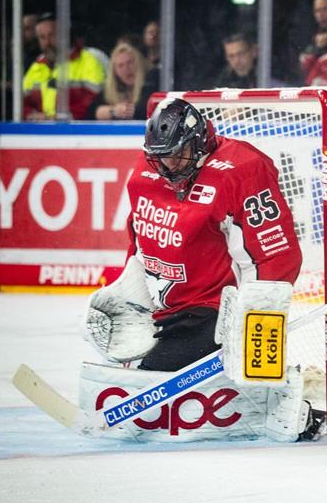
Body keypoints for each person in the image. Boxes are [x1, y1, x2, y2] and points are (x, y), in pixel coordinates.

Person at [125, 98, 303, 371]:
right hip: (162, 312)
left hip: (214, 313)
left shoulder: (242, 171)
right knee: (126, 369)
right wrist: (126, 294)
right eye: (162, 156)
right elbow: (138, 241)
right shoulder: (146, 172)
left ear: (198, 143)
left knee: (148, 379)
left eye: (178, 153)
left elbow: (275, 256)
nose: (169, 165)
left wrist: (252, 328)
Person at [22, 13, 106, 120]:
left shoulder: (88, 60)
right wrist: (32, 115)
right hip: (42, 129)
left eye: (52, 35)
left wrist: (60, 118)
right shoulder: (36, 66)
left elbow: (92, 102)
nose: (47, 42)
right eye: (42, 37)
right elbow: (22, 103)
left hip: (76, 128)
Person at [86, 42, 157, 120]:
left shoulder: (151, 83)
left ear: (138, 63)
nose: (126, 69)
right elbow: (91, 113)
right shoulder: (108, 92)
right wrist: (113, 111)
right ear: (115, 72)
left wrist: (130, 111)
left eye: (130, 62)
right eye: (120, 66)